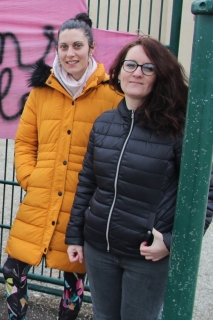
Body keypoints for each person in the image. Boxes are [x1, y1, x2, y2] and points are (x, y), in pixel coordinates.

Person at [65, 37, 213, 320]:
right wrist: (75, 236)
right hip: (100, 248)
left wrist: (171, 241)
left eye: (148, 68)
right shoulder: (104, 123)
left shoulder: (178, 129)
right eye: (130, 65)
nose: (136, 73)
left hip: (146, 255)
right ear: (118, 72)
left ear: (160, 77)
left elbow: (205, 190)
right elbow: (87, 183)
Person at [2, 13, 123, 320]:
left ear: (91, 48)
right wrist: (29, 177)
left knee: (74, 277)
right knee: (13, 268)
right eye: (64, 46)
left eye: (77, 46)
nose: (70, 53)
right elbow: (25, 141)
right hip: (41, 194)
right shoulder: (42, 92)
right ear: (56, 50)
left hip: (82, 200)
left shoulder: (111, 94)